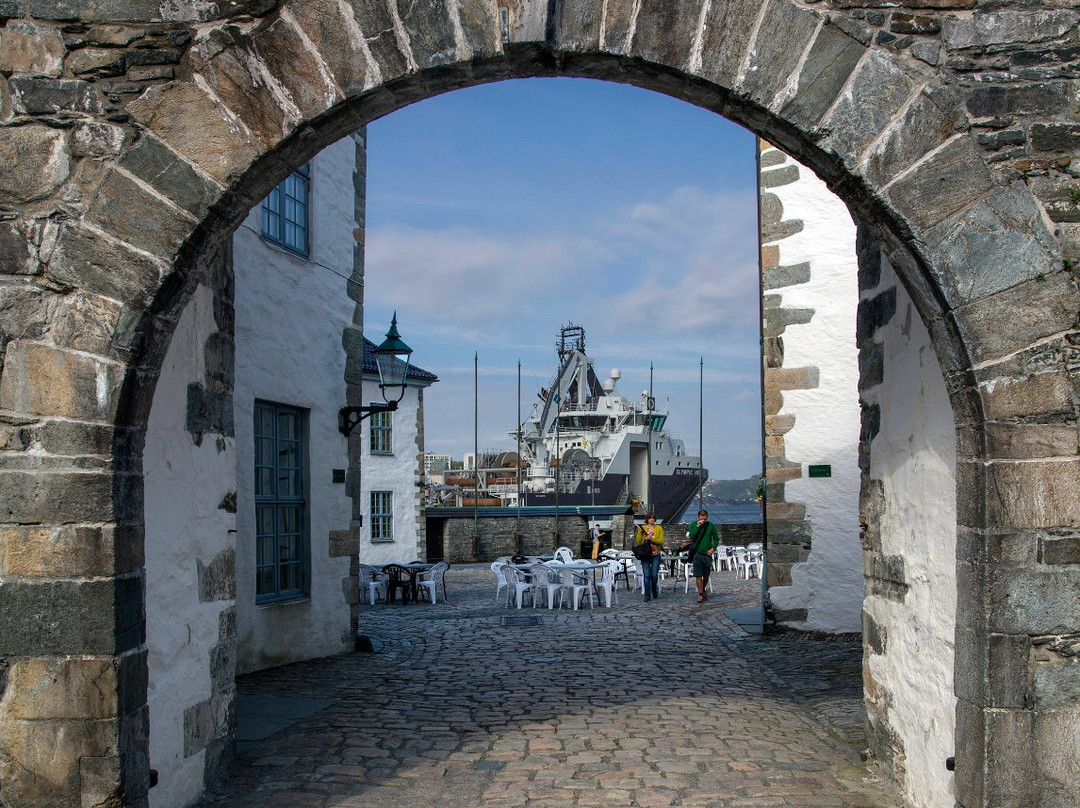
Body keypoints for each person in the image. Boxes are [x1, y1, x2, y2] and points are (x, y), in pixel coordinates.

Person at [686, 509, 720, 603]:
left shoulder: (710, 526)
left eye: (705, 519)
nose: (703, 521)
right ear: (698, 517)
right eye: (701, 518)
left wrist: (713, 548)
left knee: (706, 575)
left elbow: (716, 538)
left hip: (707, 553)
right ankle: (700, 594)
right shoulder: (693, 525)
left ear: (707, 518)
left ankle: (703, 590)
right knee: (698, 575)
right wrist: (698, 526)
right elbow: (691, 536)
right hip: (697, 553)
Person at [634, 512, 665, 602]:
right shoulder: (643, 528)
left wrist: (650, 538)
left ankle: (654, 589)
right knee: (647, 575)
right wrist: (640, 531)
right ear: (647, 519)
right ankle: (647, 595)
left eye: (653, 518)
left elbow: (661, 541)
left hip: (656, 554)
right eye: (649, 518)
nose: (651, 519)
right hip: (645, 554)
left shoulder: (658, 528)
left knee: (654, 575)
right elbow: (639, 541)